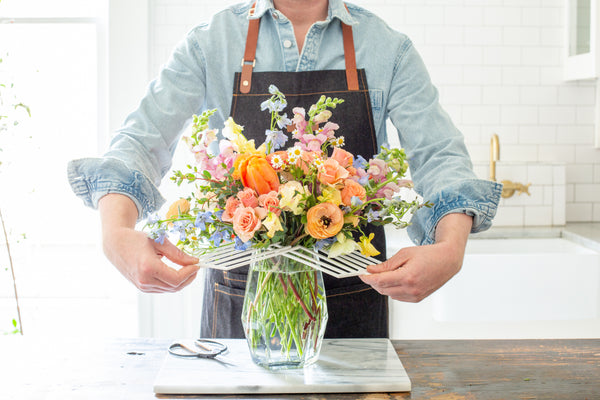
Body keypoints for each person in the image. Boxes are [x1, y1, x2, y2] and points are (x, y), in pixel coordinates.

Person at [68, 0, 501, 338]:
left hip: (353, 304)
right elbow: (140, 140)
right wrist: (116, 234)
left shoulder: (389, 49)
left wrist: (450, 248)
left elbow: (439, 153)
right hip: (239, 304)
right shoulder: (210, 43)